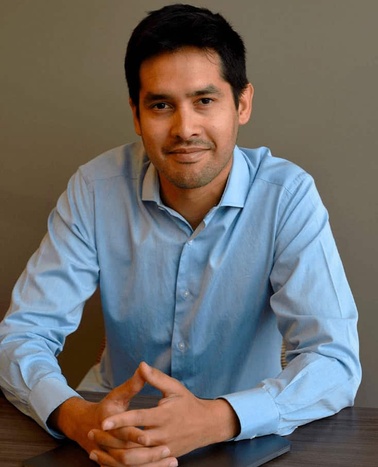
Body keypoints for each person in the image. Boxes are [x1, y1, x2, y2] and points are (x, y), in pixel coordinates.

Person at [0, 3, 361, 467]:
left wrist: (217, 418)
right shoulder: (95, 188)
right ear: (135, 113)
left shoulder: (287, 195)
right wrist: (78, 419)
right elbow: (21, 336)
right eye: (160, 105)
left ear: (242, 104)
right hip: (115, 425)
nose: (184, 129)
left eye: (204, 101)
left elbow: (335, 362)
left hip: (246, 433)